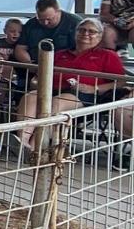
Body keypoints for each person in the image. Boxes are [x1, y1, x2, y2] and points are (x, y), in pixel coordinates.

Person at [19, 18, 128, 153]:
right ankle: (22, 142)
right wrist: (37, 83)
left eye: (91, 31)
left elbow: (121, 81)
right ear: (75, 33)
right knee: (30, 97)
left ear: (100, 36)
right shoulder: (60, 54)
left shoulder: (107, 55)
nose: (85, 33)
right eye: (81, 30)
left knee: (57, 102)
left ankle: (35, 147)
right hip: (51, 89)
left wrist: (95, 88)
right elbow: (39, 76)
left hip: (84, 96)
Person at [16, 0, 79, 66]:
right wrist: (29, 64)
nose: (45, 23)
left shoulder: (75, 23)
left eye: (49, 19)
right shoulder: (31, 24)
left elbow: (80, 50)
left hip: (64, 67)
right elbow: (20, 49)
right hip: (35, 67)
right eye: (41, 19)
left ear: (58, 12)